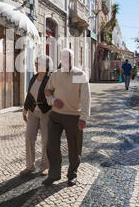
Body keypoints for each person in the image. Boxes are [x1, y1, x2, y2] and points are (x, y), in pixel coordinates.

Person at [43, 48, 91, 187]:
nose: (66, 60)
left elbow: (86, 98)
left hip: (74, 116)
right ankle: (54, 174)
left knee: (74, 147)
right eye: (63, 58)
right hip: (56, 116)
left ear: (73, 58)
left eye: (68, 58)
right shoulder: (56, 74)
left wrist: (83, 117)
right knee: (51, 145)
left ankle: (72, 175)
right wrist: (52, 100)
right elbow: (47, 90)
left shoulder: (79, 74)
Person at [21, 55, 53, 177]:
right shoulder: (33, 78)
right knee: (29, 138)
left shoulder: (50, 78)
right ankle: (30, 166)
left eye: (37, 63)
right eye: (35, 63)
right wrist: (25, 111)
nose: (35, 65)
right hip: (33, 111)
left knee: (46, 140)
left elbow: (54, 95)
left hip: (46, 112)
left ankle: (45, 166)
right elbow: (29, 96)